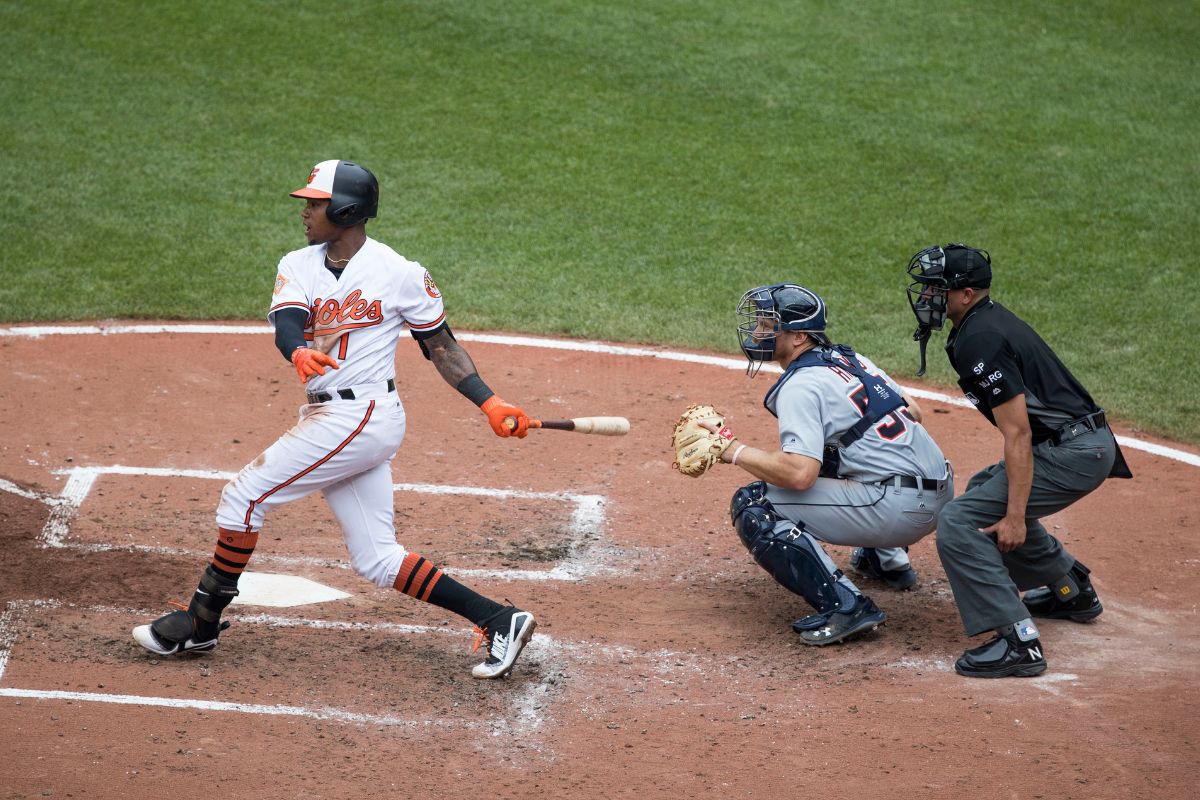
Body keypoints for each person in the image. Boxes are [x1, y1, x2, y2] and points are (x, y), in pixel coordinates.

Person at [133, 160, 538, 680]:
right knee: (377, 558)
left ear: (345, 210)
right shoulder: (297, 264)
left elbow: (441, 348)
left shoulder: (400, 273)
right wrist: (298, 351)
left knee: (244, 497)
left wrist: (489, 401)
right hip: (335, 413)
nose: (305, 212)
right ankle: (500, 619)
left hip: (362, 414)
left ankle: (201, 621)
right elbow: (287, 324)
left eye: (315, 204)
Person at [906, 242, 1132, 678]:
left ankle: (1018, 641)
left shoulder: (981, 338)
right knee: (982, 489)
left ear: (967, 294)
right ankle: (1070, 589)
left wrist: (1014, 516)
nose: (928, 298)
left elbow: (1018, 432)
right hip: (1080, 443)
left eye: (938, 289)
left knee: (960, 521)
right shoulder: (981, 322)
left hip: (1073, 452)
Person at [708, 284, 954, 645]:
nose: (758, 332)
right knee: (840, 451)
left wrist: (732, 450)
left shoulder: (801, 386)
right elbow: (913, 413)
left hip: (900, 510)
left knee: (756, 505)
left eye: (767, 325)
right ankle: (887, 561)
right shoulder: (851, 359)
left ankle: (846, 606)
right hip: (942, 492)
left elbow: (799, 474)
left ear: (799, 336)